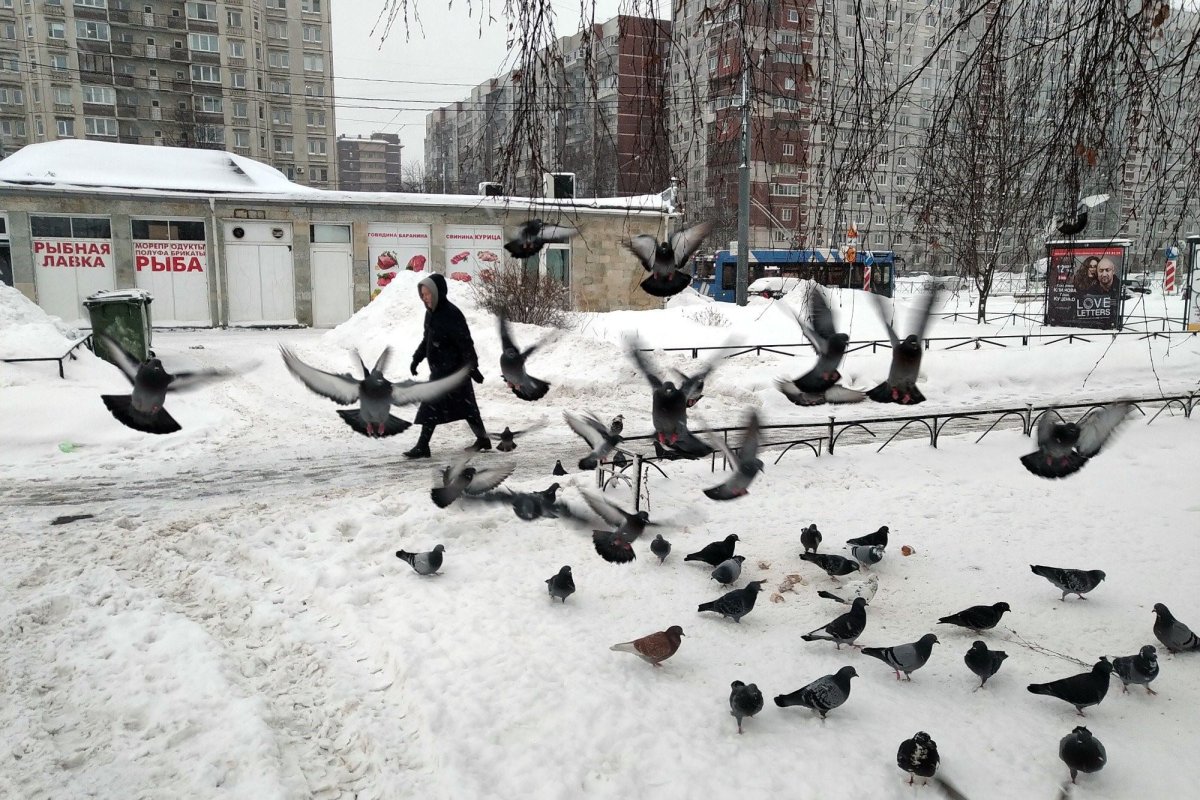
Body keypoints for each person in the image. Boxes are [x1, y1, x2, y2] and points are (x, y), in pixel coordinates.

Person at [404, 273, 489, 459]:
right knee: (467, 408)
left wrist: (473, 367)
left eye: (427, 294)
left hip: (454, 370)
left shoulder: (452, 314)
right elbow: (427, 339)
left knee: (432, 406)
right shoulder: (431, 313)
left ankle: (422, 446)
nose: (424, 298)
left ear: (438, 292)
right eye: (422, 294)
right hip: (441, 369)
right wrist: (417, 358)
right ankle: (483, 439)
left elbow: (466, 342)